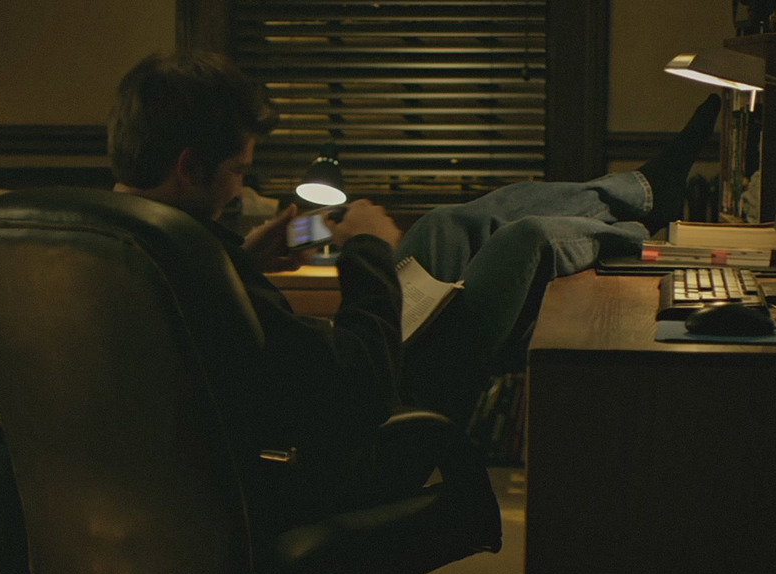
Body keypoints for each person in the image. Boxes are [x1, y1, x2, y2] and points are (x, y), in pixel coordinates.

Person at [107, 50, 717, 523]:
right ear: (188, 168)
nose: (240, 190)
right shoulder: (184, 257)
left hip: (292, 440)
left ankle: (642, 192)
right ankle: (645, 237)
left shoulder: (122, 243)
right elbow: (355, 389)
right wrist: (368, 252)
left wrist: (243, 258)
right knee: (522, 241)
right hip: (344, 459)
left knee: (443, 227)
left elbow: (212, 328)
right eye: (237, 171)